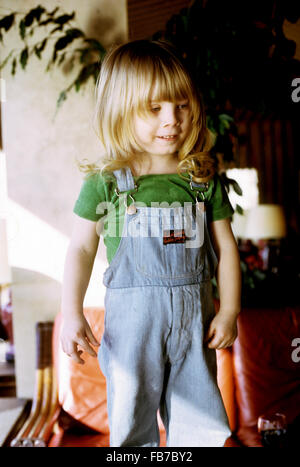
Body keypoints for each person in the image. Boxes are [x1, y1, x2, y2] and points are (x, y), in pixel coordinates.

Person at [60, 40, 241, 447]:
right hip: (133, 334)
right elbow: (80, 249)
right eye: (154, 108)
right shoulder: (107, 181)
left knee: (202, 430)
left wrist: (229, 310)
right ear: (120, 111)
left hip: (194, 329)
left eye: (181, 105)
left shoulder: (201, 179)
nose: (172, 119)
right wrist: (71, 311)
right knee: (131, 428)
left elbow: (226, 249)